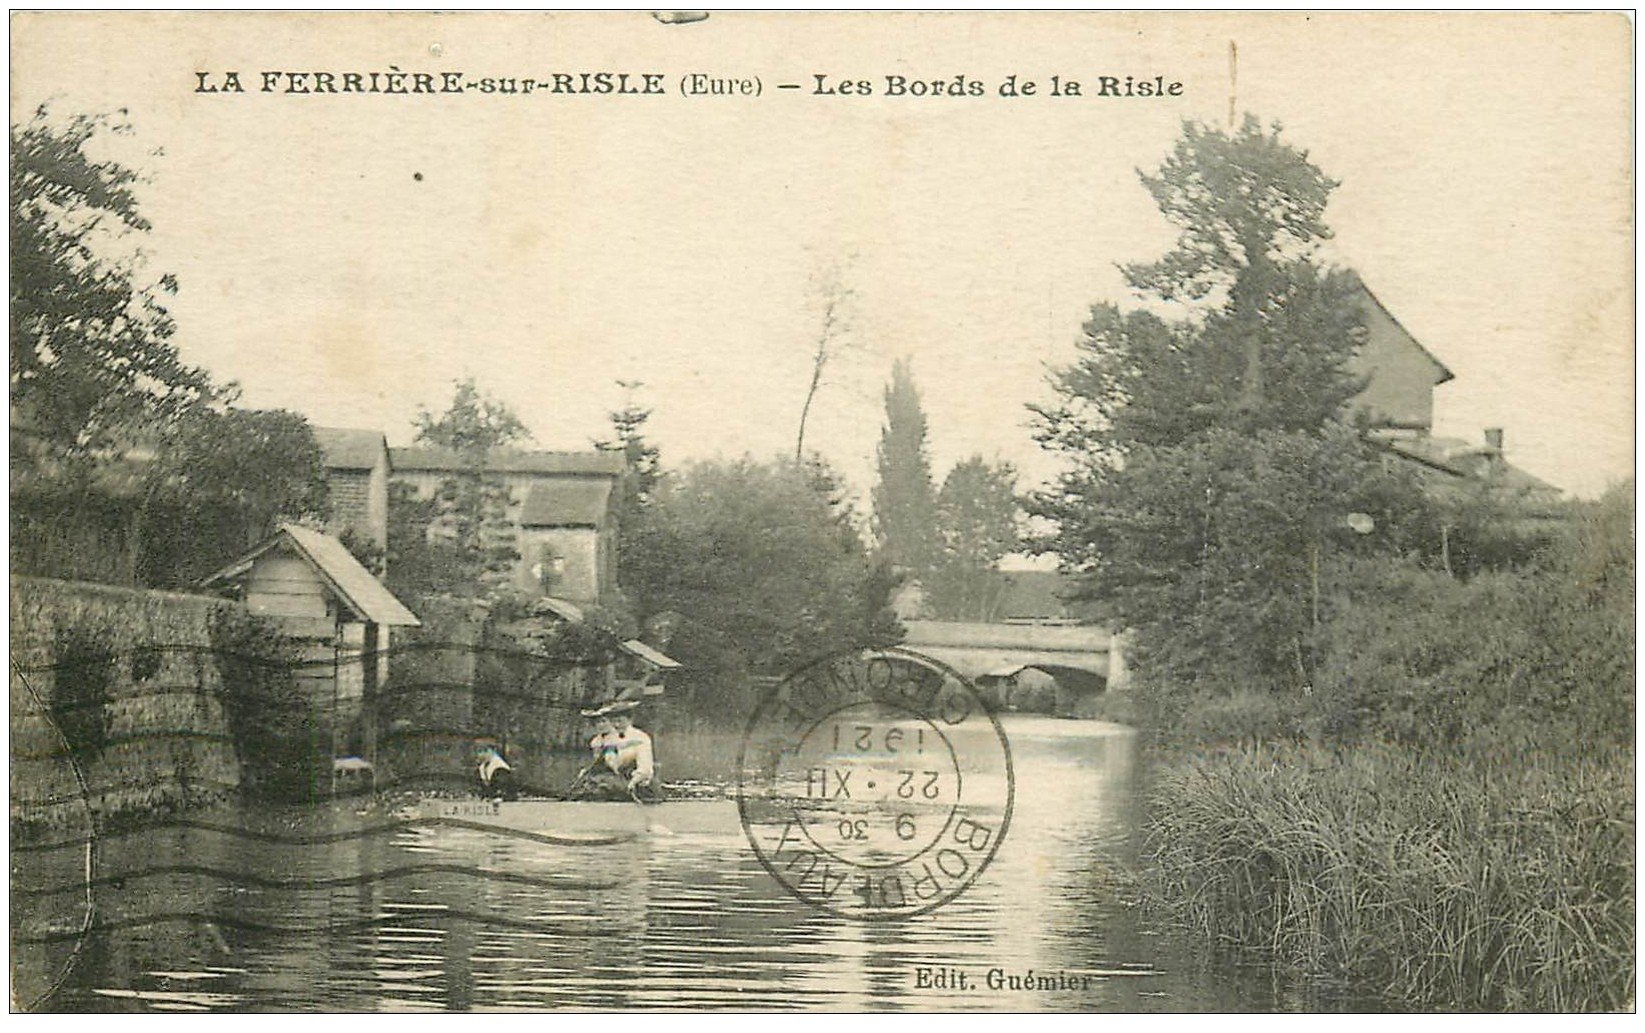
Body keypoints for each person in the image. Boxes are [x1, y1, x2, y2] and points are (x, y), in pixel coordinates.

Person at [572, 701, 657, 800]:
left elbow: (645, 768)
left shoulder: (640, 737)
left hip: (639, 785)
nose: (616, 725)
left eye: (620, 721)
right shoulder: (611, 739)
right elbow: (608, 763)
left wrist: (633, 782)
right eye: (613, 721)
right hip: (616, 783)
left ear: (630, 720)